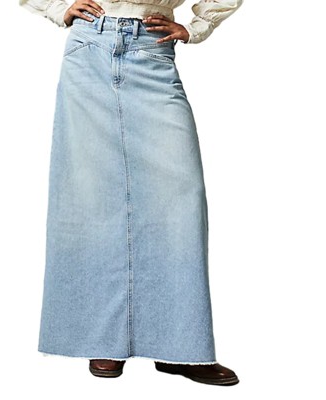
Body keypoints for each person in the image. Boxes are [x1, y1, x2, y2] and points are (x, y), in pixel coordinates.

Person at [20, 0, 244, 386]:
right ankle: (102, 341)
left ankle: (181, 347)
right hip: (89, 49)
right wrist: (58, 7)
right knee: (91, 197)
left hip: (152, 50)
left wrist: (199, 27)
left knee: (180, 200)